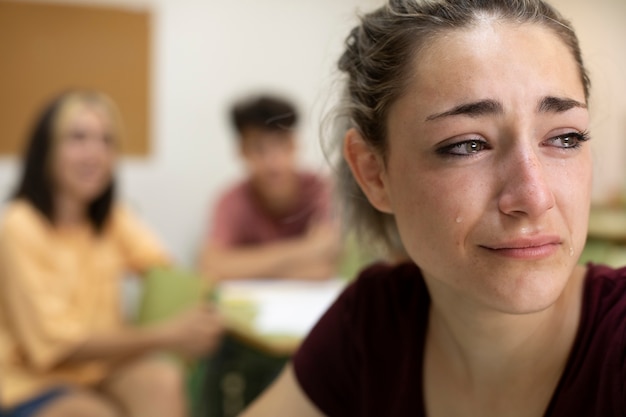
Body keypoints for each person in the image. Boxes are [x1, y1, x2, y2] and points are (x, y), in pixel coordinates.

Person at [239, 0, 626, 416]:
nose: (535, 197)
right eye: (467, 145)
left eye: (565, 137)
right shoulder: (373, 323)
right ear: (374, 174)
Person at [0, 91, 223, 417]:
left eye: (107, 140)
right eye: (78, 138)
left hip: (101, 369)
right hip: (31, 381)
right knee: (95, 414)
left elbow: (165, 272)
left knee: (163, 379)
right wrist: (166, 335)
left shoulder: (112, 220)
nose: (96, 153)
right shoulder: (19, 226)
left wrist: (200, 314)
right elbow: (56, 346)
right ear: (45, 148)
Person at [199, 94, 340, 281]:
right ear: (242, 151)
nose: (273, 163)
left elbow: (326, 265)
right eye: (259, 148)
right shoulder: (231, 200)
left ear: (294, 145)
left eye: (281, 145)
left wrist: (244, 265)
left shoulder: (319, 190)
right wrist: (306, 251)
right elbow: (211, 265)